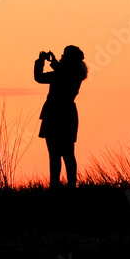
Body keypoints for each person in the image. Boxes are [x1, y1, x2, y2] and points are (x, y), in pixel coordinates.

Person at [34, 45, 87, 189]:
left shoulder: (72, 73)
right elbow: (39, 78)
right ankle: (58, 186)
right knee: (58, 154)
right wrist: (41, 62)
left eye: (65, 55)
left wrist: (50, 62)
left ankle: (66, 186)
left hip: (61, 113)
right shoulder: (66, 72)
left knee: (65, 154)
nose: (62, 57)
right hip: (58, 113)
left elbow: (64, 76)